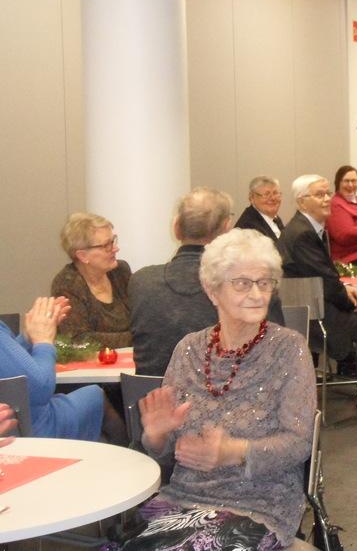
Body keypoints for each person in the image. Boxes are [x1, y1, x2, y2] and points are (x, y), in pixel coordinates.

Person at [91, 228, 317, 551]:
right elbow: (164, 447)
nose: (256, 293)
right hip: (186, 494)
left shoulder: (289, 348)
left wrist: (233, 452)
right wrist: (155, 435)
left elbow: (299, 443)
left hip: (259, 500)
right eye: (242, 283)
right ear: (212, 290)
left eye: (265, 282)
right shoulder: (190, 349)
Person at [130, 187, 285, 377]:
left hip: (148, 393)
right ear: (226, 229)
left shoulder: (141, 282)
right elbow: (277, 353)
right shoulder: (252, 287)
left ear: (176, 228)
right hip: (229, 391)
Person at [280, 173, 357, 386]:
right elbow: (327, 284)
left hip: (314, 310)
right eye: (319, 195)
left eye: (328, 193)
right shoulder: (303, 234)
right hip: (317, 320)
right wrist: (351, 301)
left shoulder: (303, 228)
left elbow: (324, 278)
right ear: (302, 202)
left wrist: (345, 289)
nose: (327, 199)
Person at [0, 295, 125, 441]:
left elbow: (9, 365)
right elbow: (41, 389)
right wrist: (44, 341)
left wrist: (28, 337)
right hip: (28, 431)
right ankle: (131, 451)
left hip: (19, 421)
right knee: (96, 397)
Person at [51, 213, 131, 348]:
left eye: (113, 241)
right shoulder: (67, 284)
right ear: (83, 256)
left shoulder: (120, 271)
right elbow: (79, 339)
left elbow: (142, 319)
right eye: (106, 245)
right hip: (90, 360)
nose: (115, 248)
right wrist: (137, 338)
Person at [326, 165, 357, 265]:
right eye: (346, 181)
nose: (350, 185)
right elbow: (344, 235)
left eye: (354, 181)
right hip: (351, 257)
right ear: (338, 183)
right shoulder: (335, 204)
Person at [234, 175, 285, 243]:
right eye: (266, 194)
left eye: (275, 193)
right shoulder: (248, 227)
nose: (272, 198)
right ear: (252, 198)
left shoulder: (274, 218)